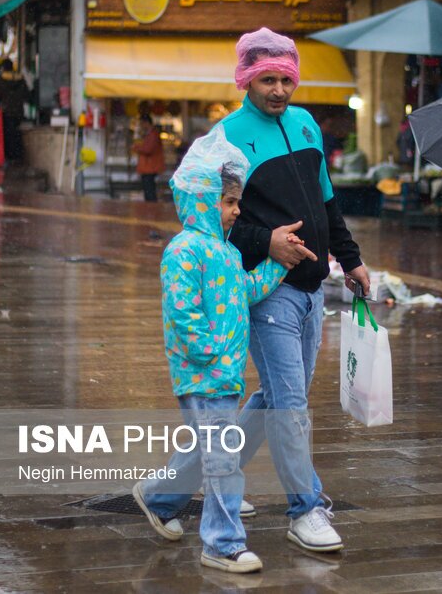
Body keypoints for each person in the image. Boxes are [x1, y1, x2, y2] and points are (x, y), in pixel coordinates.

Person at [219, 27, 371, 552]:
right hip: (267, 290)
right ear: (246, 78)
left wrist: (350, 261)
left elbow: (328, 203)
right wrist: (267, 241)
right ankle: (306, 508)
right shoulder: (228, 139)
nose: (279, 90)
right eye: (267, 79)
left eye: (286, 79)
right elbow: (215, 221)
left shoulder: (305, 124)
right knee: (290, 405)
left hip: (312, 289)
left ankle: (221, 474)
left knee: (282, 396)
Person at [134, 130, 292, 573]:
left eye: (235, 202)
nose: (236, 211)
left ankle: (159, 498)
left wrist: (279, 262)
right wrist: (211, 353)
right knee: (223, 461)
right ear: (202, 200)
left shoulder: (225, 252)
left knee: (211, 452)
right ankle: (222, 543)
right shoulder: (184, 251)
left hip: (222, 374)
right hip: (203, 374)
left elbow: (246, 291)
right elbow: (181, 311)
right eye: (229, 203)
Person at [0, 59, 29, 163]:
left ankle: (10, 157)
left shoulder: (1, 79)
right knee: (17, 134)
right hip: (18, 111)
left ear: (3, 68)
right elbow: (26, 94)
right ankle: (18, 156)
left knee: (8, 135)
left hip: (7, 111)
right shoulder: (20, 79)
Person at [132, 115, 165, 202]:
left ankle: (151, 211)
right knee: (149, 191)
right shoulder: (150, 134)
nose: (141, 126)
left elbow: (148, 149)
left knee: (149, 192)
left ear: (146, 123)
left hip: (150, 167)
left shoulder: (153, 135)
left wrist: (136, 147)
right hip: (148, 167)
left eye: (142, 123)